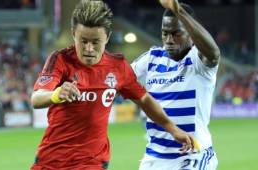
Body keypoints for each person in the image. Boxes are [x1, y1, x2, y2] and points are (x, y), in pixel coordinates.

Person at [30, 0, 195, 169]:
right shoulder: (60, 59)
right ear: (73, 34)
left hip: (92, 161)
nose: (88, 48)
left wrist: (172, 129)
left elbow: (144, 99)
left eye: (95, 42)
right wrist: (56, 94)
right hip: (51, 159)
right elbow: (36, 99)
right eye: (83, 41)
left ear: (107, 37)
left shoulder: (118, 67)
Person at [131, 0, 221, 170]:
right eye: (165, 34)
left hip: (194, 154)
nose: (169, 40)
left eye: (176, 33)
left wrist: (178, 10)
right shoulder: (152, 58)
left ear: (190, 34)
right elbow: (118, 79)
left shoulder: (198, 61)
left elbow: (214, 53)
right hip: (154, 157)